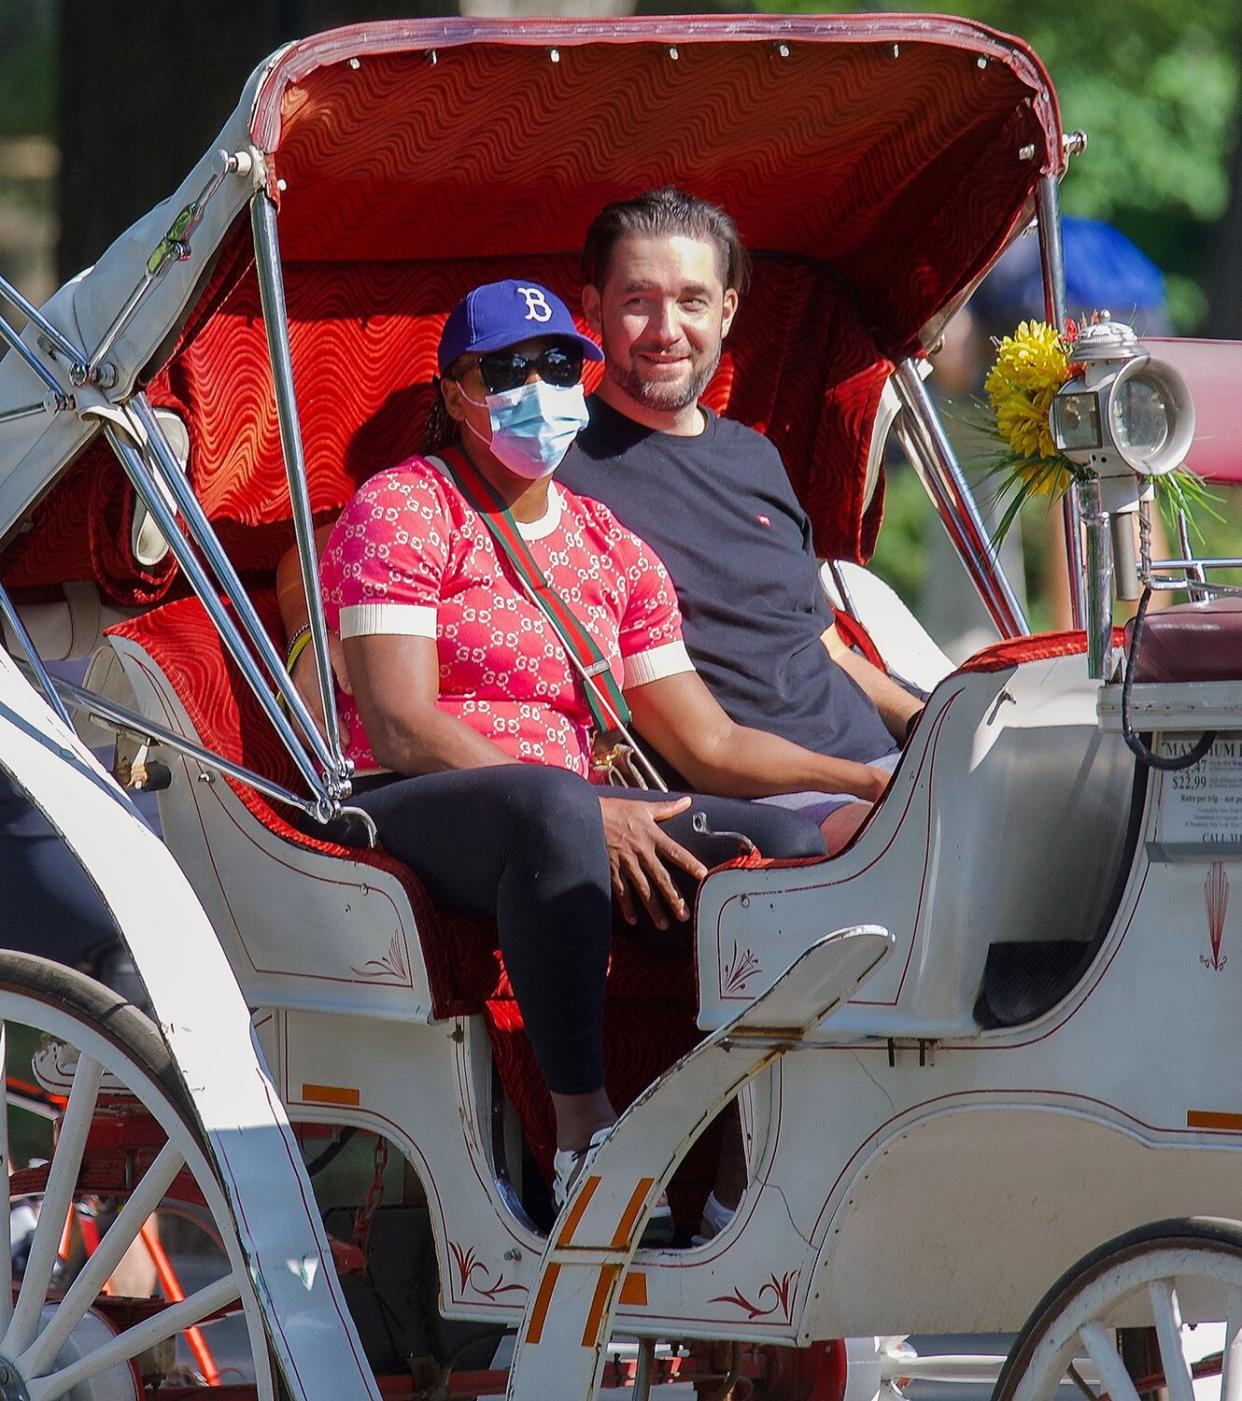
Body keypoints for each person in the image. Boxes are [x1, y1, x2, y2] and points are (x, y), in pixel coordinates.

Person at [305, 279, 893, 1233]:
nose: (539, 385)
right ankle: (585, 1135)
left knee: (783, 842)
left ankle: (744, 1168)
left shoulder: (610, 545)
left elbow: (707, 741)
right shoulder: (403, 508)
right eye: (507, 369)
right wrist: (591, 807)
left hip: (577, 814)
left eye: (558, 364)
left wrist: (863, 777)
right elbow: (402, 721)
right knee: (555, 806)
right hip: (414, 802)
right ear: (456, 392)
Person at [559, 187, 924, 849]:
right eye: (638, 300)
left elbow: (824, 644)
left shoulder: (755, 455)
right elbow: (705, 748)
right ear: (594, 310)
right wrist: (878, 787)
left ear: (726, 311)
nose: (667, 331)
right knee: (925, 841)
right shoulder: (560, 474)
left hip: (883, 769)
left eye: (692, 301)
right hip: (765, 801)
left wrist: (928, 723)